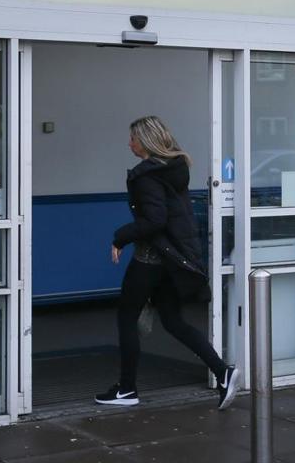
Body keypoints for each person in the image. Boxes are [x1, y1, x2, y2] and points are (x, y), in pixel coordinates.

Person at [95, 115, 240, 410]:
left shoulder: (147, 176)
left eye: (133, 138)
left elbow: (154, 220)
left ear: (145, 142)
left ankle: (127, 389)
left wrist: (120, 237)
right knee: (173, 321)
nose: (129, 143)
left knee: (127, 318)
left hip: (150, 258)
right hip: (171, 259)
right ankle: (223, 372)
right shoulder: (172, 170)